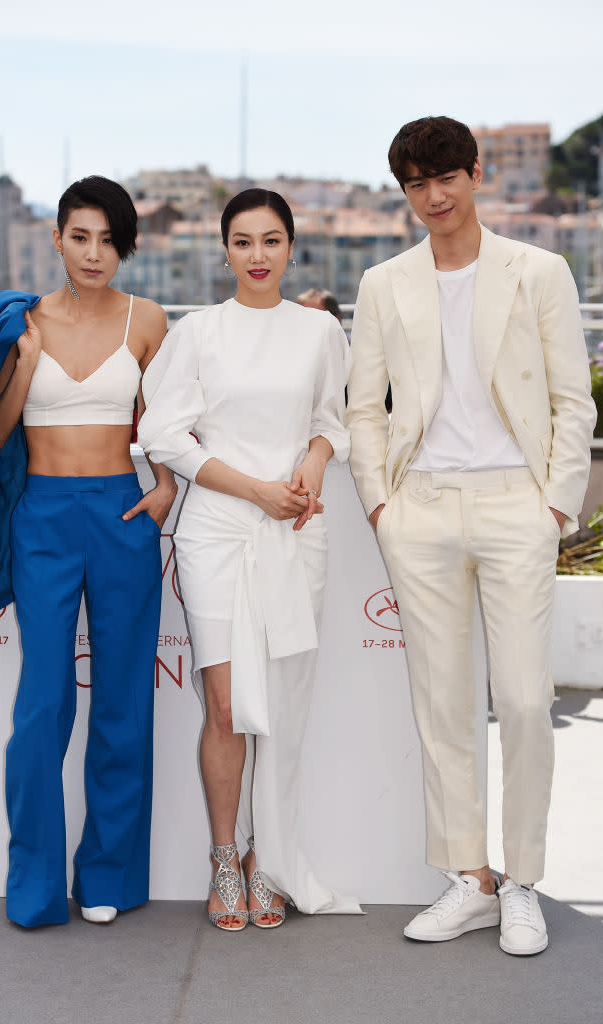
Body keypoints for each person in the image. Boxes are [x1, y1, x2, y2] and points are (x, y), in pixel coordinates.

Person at [346, 117, 596, 956]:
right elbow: (363, 409)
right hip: (420, 508)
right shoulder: (384, 283)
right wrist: (383, 507)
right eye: (416, 183)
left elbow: (572, 400)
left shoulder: (539, 270)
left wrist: (554, 506)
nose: (433, 196)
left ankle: (523, 878)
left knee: (525, 700)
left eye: (444, 176)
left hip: (514, 505)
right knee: (443, 706)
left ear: (476, 174)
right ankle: (471, 880)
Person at [0, 175, 176, 928]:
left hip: (120, 513)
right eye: (80, 236)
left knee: (122, 703)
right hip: (40, 517)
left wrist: (165, 484)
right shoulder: (24, 320)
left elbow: (165, 420)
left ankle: (108, 875)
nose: (94, 253)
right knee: (43, 703)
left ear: (125, 244)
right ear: (57, 239)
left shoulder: (148, 321)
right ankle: (36, 885)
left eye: (109, 239)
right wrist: (29, 361)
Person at [136, 188, 361, 930]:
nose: (258, 256)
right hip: (218, 533)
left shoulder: (319, 331)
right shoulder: (200, 333)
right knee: (228, 707)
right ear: (224, 250)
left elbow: (334, 419)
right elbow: (168, 436)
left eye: (271, 241)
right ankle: (225, 855)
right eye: (243, 242)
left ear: (292, 247)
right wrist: (255, 489)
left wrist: (313, 465)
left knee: (283, 712)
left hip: (296, 533)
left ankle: (272, 855)